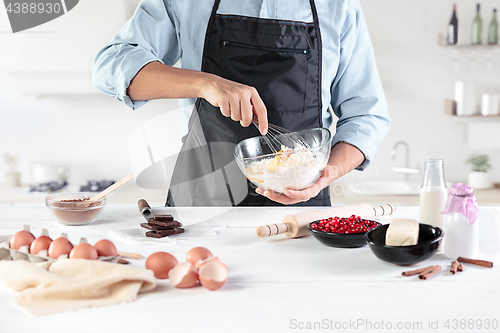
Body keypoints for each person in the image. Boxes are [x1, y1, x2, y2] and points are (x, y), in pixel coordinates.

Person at [93, 0, 390, 207]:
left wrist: (324, 177)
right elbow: (111, 66)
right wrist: (206, 84)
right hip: (202, 206)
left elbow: (367, 117)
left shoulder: (338, 6)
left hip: (300, 213)